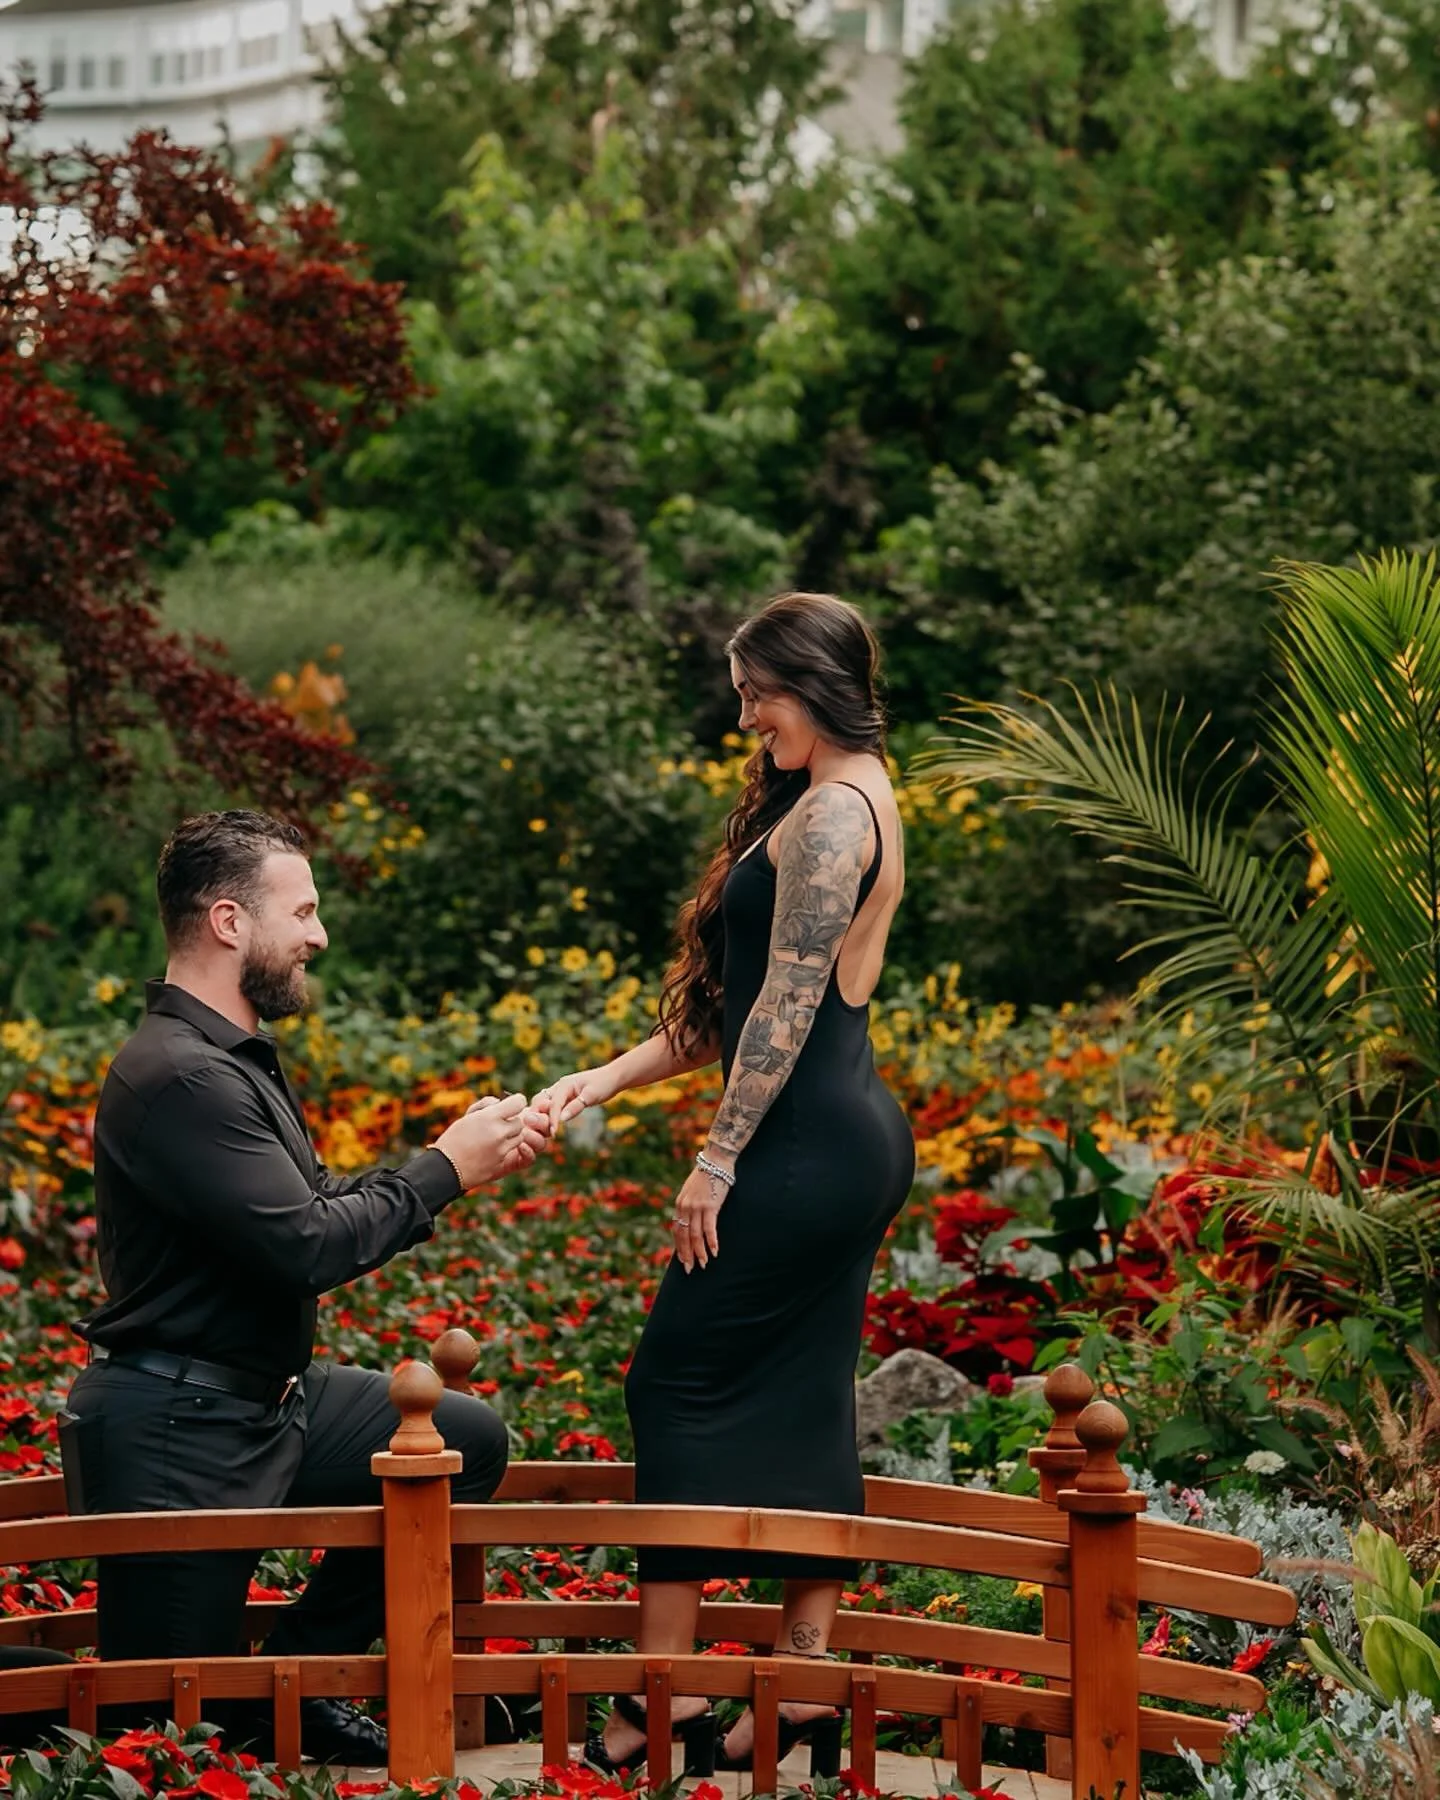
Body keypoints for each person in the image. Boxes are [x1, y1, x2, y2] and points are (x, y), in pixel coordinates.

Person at [61, 810, 547, 1765]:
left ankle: (296, 1675)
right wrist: (446, 1168)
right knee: (157, 1738)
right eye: (305, 910)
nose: (319, 935)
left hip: (269, 1399)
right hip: (177, 1424)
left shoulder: (230, 1059)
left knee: (464, 1435)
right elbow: (307, 1246)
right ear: (231, 921)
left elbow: (313, 1202)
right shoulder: (179, 1075)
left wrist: (451, 1156)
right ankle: (230, 1708)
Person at [540, 593, 916, 1774]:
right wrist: (606, 1077)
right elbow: (735, 1005)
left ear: (813, 681)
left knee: (673, 1383)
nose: (745, 713)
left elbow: (789, 1009)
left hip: (803, 1151)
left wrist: (717, 1159)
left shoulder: (832, 820)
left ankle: (665, 1707)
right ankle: (799, 1694)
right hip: (837, 1138)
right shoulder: (846, 798)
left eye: (759, 690)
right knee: (804, 1392)